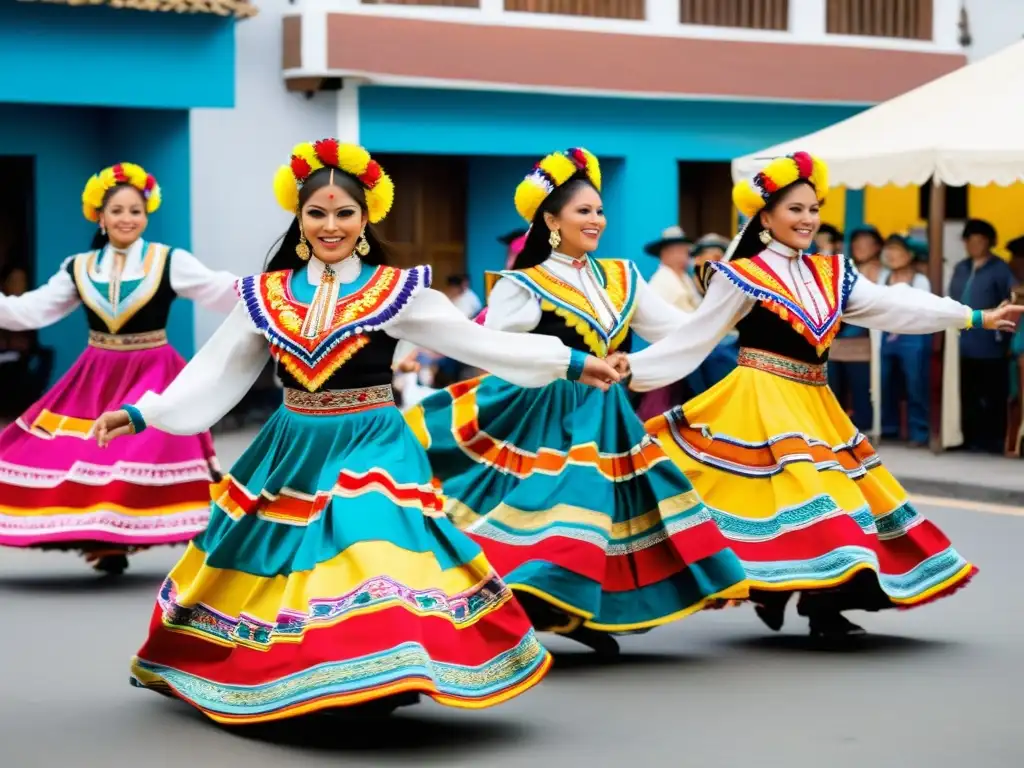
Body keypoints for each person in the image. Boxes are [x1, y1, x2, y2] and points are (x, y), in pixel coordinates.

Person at [93, 139, 621, 724]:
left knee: (369, 544)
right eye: (317, 213)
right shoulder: (265, 295)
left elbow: (480, 342)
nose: (330, 225)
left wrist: (571, 362)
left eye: (344, 212)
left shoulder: (397, 291)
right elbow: (218, 369)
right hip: (293, 445)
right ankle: (312, 671)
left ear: (366, 219)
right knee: (280, 562)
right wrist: (146, 413)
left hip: (373, 439)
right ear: (299, 219)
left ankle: (384, 670)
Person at [625, 152, 1023, 639]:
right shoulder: (742, 275)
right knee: (809, 502)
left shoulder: (831, 274)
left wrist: (973, 316)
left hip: (815, 404)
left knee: (838, 504)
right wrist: (629, 371)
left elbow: (893, 305)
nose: (807, 219)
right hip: (759, 405)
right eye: (795, 209)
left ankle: (804, 598)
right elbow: (696, 337)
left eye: (813, 209)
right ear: (764, 216)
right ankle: (790, 596)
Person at [405, 147, 748, 657]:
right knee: (548, 507)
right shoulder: (522, 285)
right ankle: (512, 604)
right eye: (583, 211)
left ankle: (574, 610)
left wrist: (729, 302)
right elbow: (499, 349)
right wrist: (564, 360)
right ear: (550, 220)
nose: (595, 220)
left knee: (603, 512)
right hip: (534, 410)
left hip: (603, 413)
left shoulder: (622, 277)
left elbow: (678, 333)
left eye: (599, 211)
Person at [0, 163, 237, 575]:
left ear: (146, 216)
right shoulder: (79, 267)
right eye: (118, 211)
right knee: (82, 452)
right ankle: (106, 537)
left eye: (136, 211)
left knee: (138, 447)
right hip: (97, 372)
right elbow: (29, 311)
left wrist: (276, 293)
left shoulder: (168, 261)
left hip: (154, 370)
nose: (127, 218)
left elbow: (218, 289)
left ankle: (120, 537)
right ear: (100, 217)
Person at [948, 219, 1016, 454]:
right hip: (961, 342)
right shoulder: (961, 268)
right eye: (970, 240)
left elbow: (1012, 299)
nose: (974, 245)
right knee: (966, 392)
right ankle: (967, 438)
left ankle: (994, 441)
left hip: (990, 343)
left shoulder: (1000, 268)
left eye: (980, 241)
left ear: (990, 242)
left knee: (993, 393)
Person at [878, 235, 933, 446]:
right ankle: (889, 428)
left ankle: (919, 432)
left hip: (913, 336)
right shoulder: (883, 277)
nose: (891, 255)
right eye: (888, 250)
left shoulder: (920, 280)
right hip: (885, 334)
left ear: (909, 256)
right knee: (884, 381)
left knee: (915, 383)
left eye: (897, 250)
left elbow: (921, 310)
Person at [829, 226, 884, 432]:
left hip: (863, 345)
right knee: (834, 391)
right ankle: (837, 430)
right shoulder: (847, 267)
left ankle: (862, 432)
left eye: (866, 243)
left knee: (862, 390)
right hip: (836, 343)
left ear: (877, 246)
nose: (860, 247)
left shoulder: (880, 271)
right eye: (856, 243)